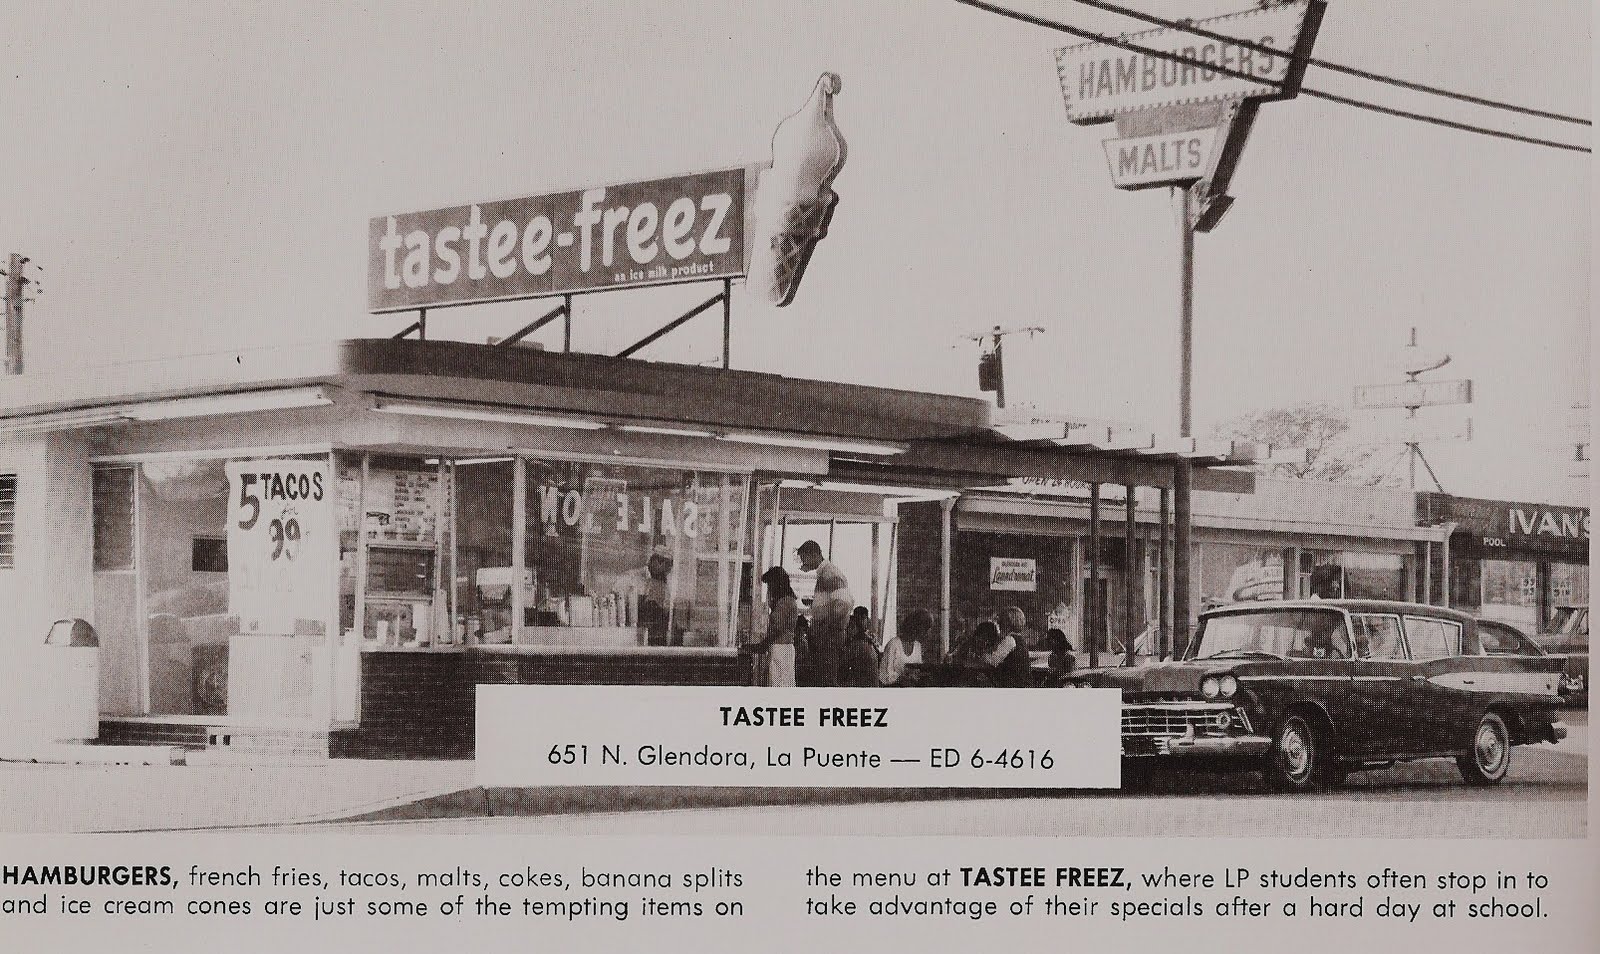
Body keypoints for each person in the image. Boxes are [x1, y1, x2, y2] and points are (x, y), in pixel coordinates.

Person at [798, 540, 853, 686]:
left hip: (830, 638)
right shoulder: (824, 573)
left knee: (827, 680)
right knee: (823, 678)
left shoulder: (830, 573)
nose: (803, 563)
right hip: (826, 638)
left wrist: (825, 627)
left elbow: (844, 603)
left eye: (804, 558)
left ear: (814, 554)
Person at [748, 566, 800, 687]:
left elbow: (777, 629)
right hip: (784, 648)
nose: (769, 589)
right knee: (784, 683)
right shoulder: (788, 601)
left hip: (781, 648)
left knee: (778, 685)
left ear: (777, 584)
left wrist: (762, 645)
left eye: (770, 585)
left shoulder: (785, 603)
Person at [616, 543, 676, 646]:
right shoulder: (631, 577)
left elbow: (666, 610)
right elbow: (619, 603)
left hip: (655, 635)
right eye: (668, 566)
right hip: (629, 633)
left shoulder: (663, 582)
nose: (668, 571)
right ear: (657, 562)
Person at [880, 608, 932, 686]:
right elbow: (884, 677)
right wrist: (903, 678)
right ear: (916, 627)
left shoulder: (917, 646)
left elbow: (917, 672)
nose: (927, 634)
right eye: (925, 629)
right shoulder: (893, 645)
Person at [838, 606, 881, 687]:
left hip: (868, 682)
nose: (860, 621)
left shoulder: (870, 638)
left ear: (867, 619)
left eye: (863, 618)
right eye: (858, 619)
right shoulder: (855, 640)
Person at [993, 606, 1033, 688]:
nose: (999, 626)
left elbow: (992, 661)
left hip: (1014, 686)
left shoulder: (1010, 640)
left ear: (1007, 623)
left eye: (1000, 622)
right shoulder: (1020, 639)